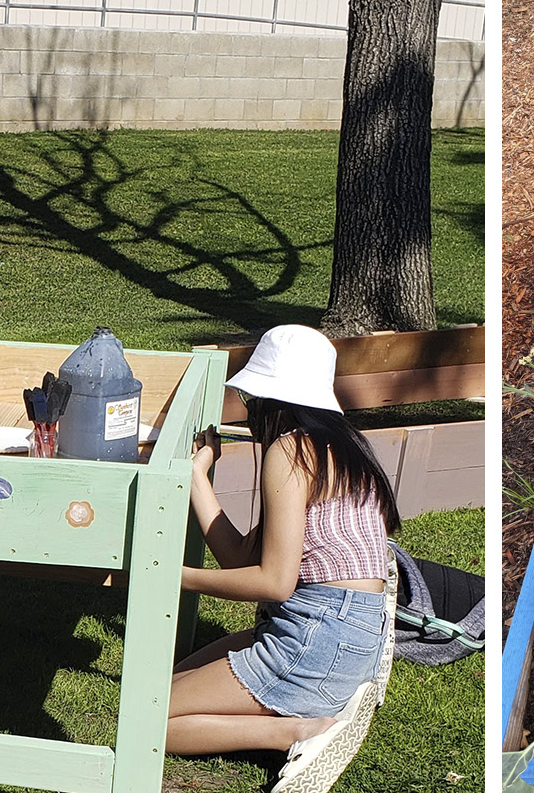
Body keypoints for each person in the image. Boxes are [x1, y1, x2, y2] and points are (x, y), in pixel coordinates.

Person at [167, 325, 400, 786]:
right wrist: (199, 476)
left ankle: (297, 732)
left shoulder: (290, 450)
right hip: (345, 633)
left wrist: (175, 576)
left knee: (146, 714)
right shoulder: (344, 447)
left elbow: (274, 582)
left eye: (251, 400)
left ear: (267, 400)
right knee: (163, 687)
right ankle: (309, 714)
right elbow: (240, 558)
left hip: (317, 638)